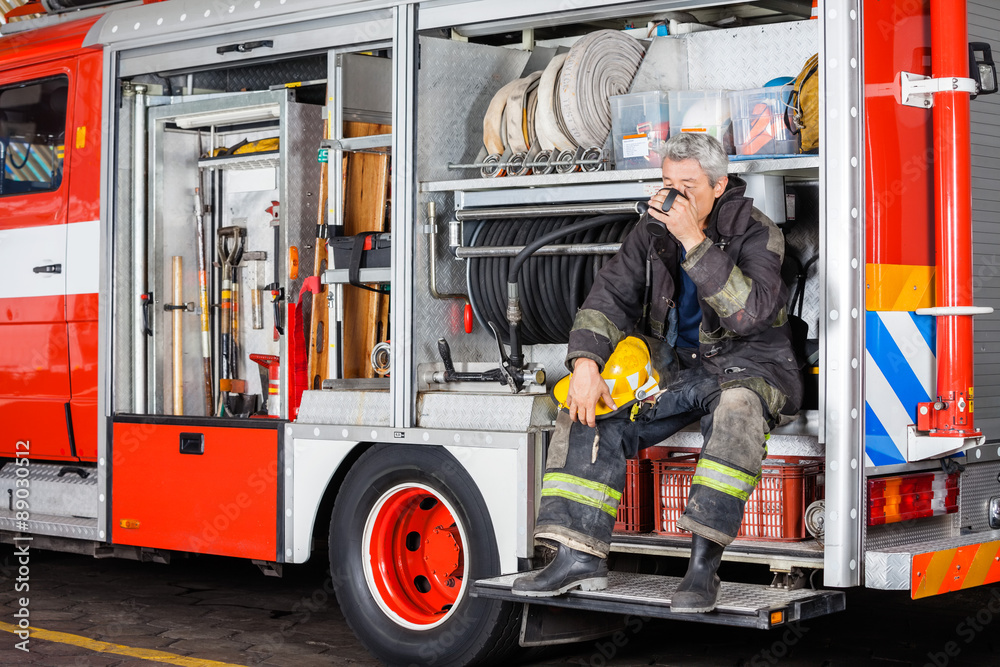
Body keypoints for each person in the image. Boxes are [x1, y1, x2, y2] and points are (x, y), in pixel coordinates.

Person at [512, 133, 802, 613]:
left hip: (748, 364)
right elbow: (608, 297)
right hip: (675, 365)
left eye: (688, 184)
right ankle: (576, 557)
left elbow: (748, 315)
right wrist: (585, 364)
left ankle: (703, 567)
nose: (674, 195)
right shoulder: (650, 231)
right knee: (588, 404)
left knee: (737, 411)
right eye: (668, 182)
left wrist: (693, 239)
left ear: (719, 185)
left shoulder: (758, 232)